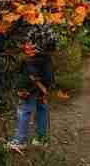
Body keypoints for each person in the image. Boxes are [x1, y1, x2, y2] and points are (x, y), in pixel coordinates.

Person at [7, 22, 58, 150]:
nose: (25, 46)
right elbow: (49, 72)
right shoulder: (46, 56)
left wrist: (21, 88)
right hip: (44, 82)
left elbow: (28, 76)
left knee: (24, 109)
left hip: (31, 87)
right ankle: (41, 138)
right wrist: (47, 86)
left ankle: (20, 140)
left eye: (28, 43)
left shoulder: (30, 60)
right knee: (41, 108)